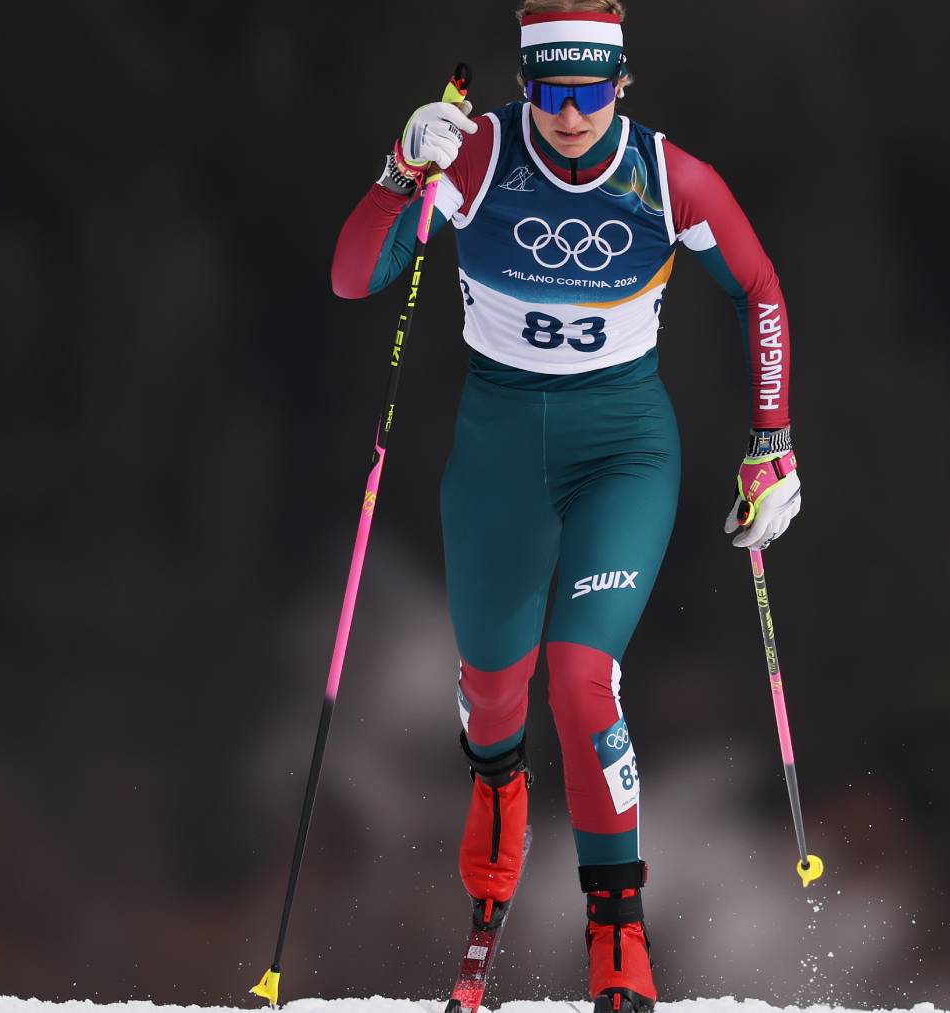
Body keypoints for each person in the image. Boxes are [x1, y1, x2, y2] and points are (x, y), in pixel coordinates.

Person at [330, 2, 800, 1009]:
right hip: (499, 458)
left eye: (593, 92)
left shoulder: (671, 179)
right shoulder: (481, 157)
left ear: (621, 86)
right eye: (554, 92)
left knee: (582, 677)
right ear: (526, 87)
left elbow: (758, 287)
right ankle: (499, 778)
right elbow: (353, 273)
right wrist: (401, 171)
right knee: (495, 692)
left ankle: (617, 933)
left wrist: (773, 444)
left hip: (623, 449)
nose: (574, 115)